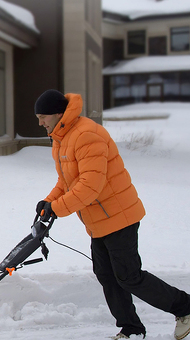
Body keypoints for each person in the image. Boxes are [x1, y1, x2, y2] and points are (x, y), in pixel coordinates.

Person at [33, 89, 190, 340]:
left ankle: (186, 308)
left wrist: (58, 208)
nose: (40, 122)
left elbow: (90, 186)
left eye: (43, 117)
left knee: (129, 277)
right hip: (98, 220)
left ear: (58, 114)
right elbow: (67, 181)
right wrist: (48, 201)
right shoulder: (63, 138)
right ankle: (131, 329)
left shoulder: (86, 135)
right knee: (107, 276)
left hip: (118, 215)